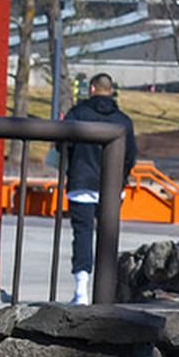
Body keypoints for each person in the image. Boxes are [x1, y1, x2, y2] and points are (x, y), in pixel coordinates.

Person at [60, 71, 137, 304]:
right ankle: (105, 292)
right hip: (112, 186)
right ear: (111, 90)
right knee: (108, 236)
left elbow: (62, 144)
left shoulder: (77, 113)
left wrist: (69, 170)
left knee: (82, 233)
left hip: (81, 182)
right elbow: (131, 155)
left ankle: (81, 289)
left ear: (92, 89)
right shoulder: (123, 120)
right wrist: (122, 178)